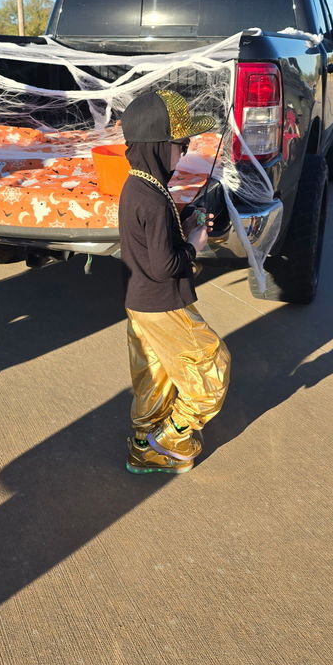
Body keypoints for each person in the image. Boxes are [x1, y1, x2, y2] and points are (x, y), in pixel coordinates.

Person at [119, 88, 231, 474]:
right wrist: (196, 243)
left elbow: (152, 246)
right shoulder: (151, 196)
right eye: (181, 145)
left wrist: (182, 225)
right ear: (158, 145)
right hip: (163, 304)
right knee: (211, 365)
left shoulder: (138, 186)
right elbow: (167, 266)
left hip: (140, 303)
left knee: (156, 377)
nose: (183, 153)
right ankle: (169, 440)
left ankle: (141, 447)